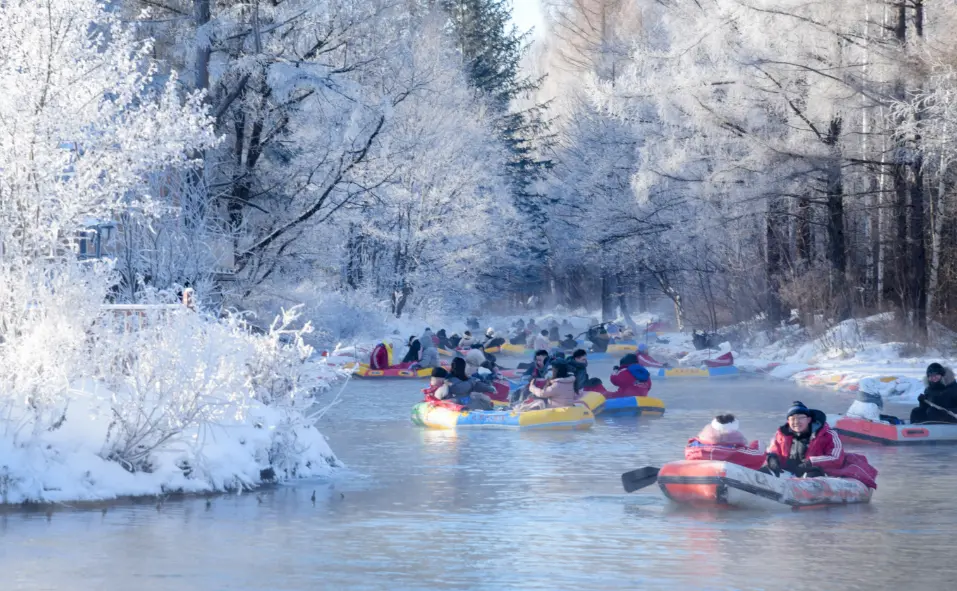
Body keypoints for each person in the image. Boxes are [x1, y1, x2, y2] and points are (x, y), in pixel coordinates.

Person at [763, 401, 878, 489]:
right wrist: (772, 458)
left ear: (809, 419)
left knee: (812, 475)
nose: (796, 422)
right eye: (792, 418)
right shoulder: (781, 434)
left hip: (817, 474)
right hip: (787, 472)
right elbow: (772, 450)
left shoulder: (828, 434)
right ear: (788, 421)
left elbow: (836, 457)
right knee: (763, 470)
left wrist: (810, 463)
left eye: (801, 418)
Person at [685, 414, 765, 470]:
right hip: (727, 472)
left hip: (698, 473)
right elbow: (759, 454)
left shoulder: (694, 447)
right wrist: (757, 443)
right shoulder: (736, 452)